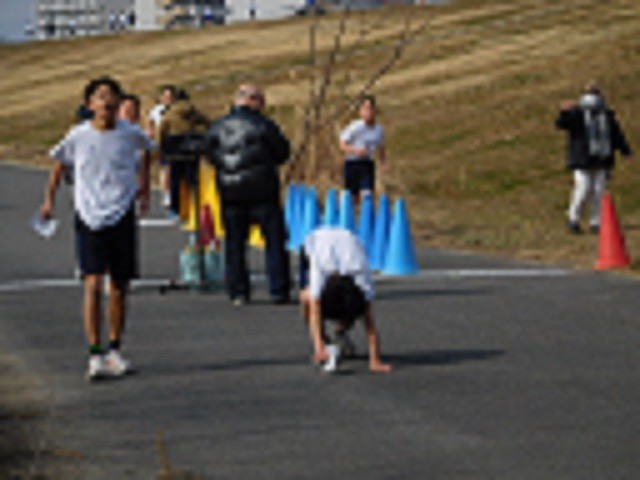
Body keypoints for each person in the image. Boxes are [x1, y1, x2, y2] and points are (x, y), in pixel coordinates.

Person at [40, 76, 156, 381]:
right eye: (100, 96)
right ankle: (94, 353)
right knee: (92, 283)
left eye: (111, 96)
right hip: (89, 214)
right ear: (90, 104)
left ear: (118, 103)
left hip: (122, 212)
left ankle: (115, 350)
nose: (106, 101)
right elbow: (58, 164)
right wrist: (48, 201)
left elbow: (149, 149)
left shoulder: (130, 133)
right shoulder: (78, 135)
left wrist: (143, 186)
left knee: (119, 285)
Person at [205, 84, 291, 305]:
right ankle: (278, 288)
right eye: (261, 99)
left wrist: (226, 169)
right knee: (274, 240)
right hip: (262, 189)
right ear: (253, 100)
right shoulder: (264, 125)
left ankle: (238, 290)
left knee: (234, 243)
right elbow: (282, 152)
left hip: (230, 190)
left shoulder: (217, 127)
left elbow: (210, 153)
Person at [299, 226, 392, 374]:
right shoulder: (320, 269)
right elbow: (315, 304)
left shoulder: (363, 280)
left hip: (348, 246)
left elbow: (370, 324)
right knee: (306, 298)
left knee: (355, 308)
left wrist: (375, 361)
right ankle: (323, 340)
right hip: (316, 245)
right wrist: (319, 348)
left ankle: (340, 332)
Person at [556, 82, 634, 234]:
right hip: (582, 159)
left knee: (599, 191)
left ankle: (596, 221)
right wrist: (564, 112)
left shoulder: (606, 114)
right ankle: (573, 219)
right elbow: (562, 124)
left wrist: (625, 151)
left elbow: (616, 134)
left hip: (601, 159)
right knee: (583, 188)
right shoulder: (577, 113)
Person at [158, 88, 210, 215]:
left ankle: (175, 208)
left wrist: (160, 148)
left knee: (175, 181)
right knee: (193, 180)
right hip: (191, 151)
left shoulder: (170, 113)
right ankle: (195, 206)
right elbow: (207, 122)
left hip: (174, 152)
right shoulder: (192, 111)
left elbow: (161, 131)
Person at [339, 95, 388, 202]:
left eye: (370, 108)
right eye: (365, 109)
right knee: (352, 197)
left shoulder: (379, 130)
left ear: (375, 111)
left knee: (367, 194)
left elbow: (381, 147)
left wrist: (383, 163)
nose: (368, 112)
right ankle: (346, 210)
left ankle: (365, 211)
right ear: (360, 112)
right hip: (352, 163)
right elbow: (342, 145)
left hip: (367, 164)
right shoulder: (355, 127)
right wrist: (355, 151)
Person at [146, 85, 177, 209]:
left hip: (176, 141)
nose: (168, 98)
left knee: (175, 169)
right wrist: (152, 135)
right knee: (165, 168)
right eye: (166, 96)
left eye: (170, 96)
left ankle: (175, 193)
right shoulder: (156, 110)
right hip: (163, 142)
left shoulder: (177, 109)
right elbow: (150, 123)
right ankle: (166, 194)